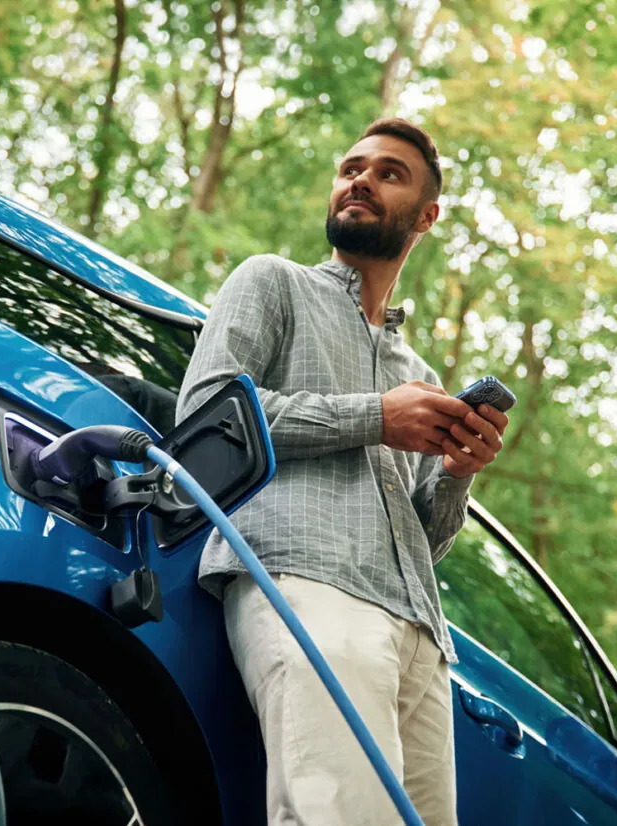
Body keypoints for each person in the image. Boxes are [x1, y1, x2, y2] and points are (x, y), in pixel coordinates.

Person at [176, 118, 508, 826]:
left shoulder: (418, 375)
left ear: (426, 217)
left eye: (389, 173)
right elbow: (203, 422)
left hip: (422, 640)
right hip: (304, 581)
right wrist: (375, 418)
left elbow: (429, 541)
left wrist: (456, 472)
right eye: (352, 167)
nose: (360, 178)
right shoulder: (272, 282)